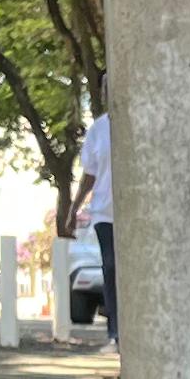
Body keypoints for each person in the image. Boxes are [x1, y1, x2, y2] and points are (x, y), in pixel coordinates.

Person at [69, 109, 115, 341]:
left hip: (134, 214)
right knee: (110, 266)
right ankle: (115, 332)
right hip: (105, 212)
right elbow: (90, 174)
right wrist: (74, 207)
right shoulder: (98, 129)